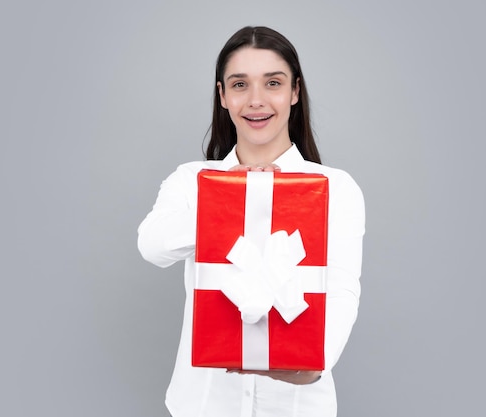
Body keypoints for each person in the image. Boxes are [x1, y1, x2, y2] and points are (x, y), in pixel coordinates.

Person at [137, 26, 365, 417]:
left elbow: (342, 289)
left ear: (294, 92)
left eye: (273, 83)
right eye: (240, 84)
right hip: (203, 405)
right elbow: (152, 246)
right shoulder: (192, 180)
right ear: (223, 96)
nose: (256, 100)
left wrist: (312, 368)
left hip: (296, 405)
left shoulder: (335, 188)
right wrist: (234, 198)